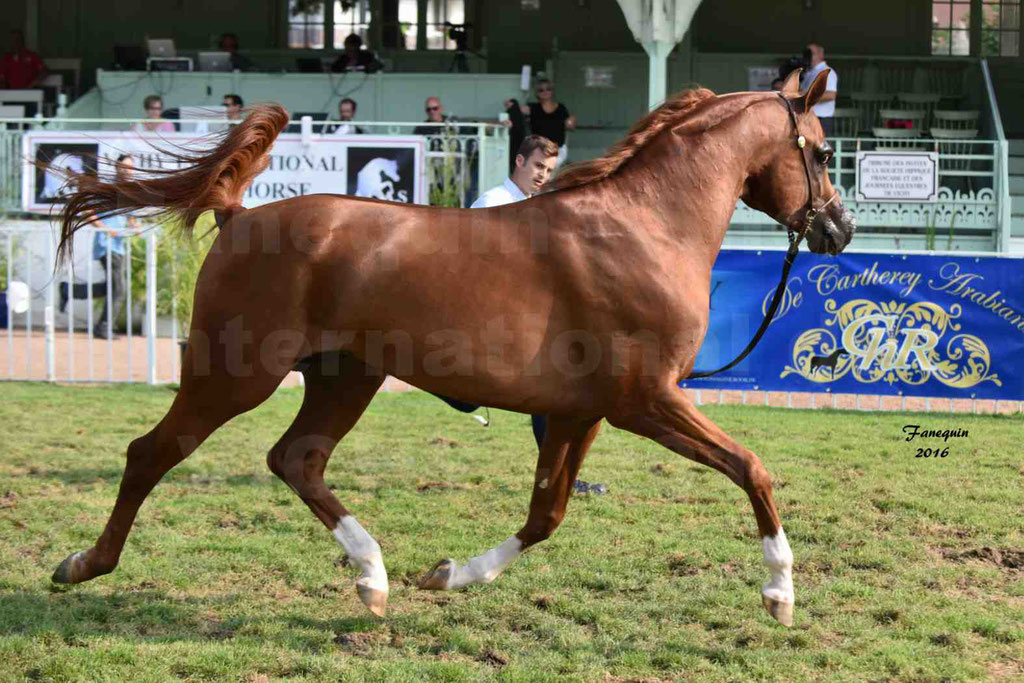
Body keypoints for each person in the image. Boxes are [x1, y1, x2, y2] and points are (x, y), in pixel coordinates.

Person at [91, 155, 140, 338]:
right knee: (118, 289)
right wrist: (105, 229)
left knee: (114, 287)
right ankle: (104, 327)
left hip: (120, 245)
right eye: (124, 167)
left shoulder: (130, 191)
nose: (128, 171)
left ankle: (70, 290)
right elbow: (89, 214)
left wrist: (136, 227)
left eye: (131, 168)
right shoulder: (106, 189)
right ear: (116, 167)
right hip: (107, 245)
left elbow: (131, 218)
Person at [514, 78, 576, 168]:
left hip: (557, 149)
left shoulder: (561, 108)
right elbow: (515, 110)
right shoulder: (533, 108)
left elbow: (571, 126)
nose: (545, 92)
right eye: (541, 90)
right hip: (539, 149)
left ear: (552, 91)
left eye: (548, 89)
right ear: (537, 93)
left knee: (550, 170)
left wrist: (572, 120)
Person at [800, 42, 838, 136]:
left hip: (820, 119)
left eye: (811, 53)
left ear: (821, 54)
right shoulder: (809, 73)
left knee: (818, 149)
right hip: (807, 118)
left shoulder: (826, 71)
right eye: (806, 53)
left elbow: (830, 95)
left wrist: (806, 96)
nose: (808, 56)